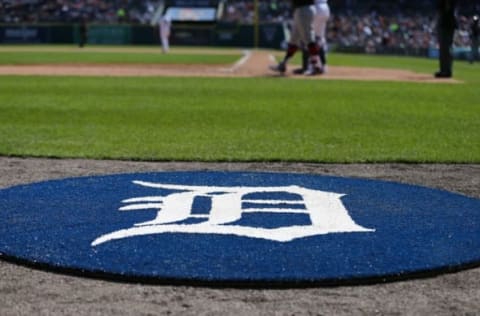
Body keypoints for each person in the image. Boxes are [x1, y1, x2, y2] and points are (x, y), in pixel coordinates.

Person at [269, 0, 322, 76]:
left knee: (308, 39)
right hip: (301, 9)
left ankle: (316, 66)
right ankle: (283, 64)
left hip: (304, 9)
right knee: (294, 39)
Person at [293, 0, 330, 75]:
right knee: (319, 38)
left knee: (309, 38)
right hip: (325, 7)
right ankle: (323, 66)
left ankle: (311, 67)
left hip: (316, 7)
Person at [435, 0, 457, 78]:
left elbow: (445, 9)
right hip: (447, 24)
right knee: (445, 49)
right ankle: (445, 70)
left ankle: (446, 70)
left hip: (446, 24)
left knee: (445, 49)